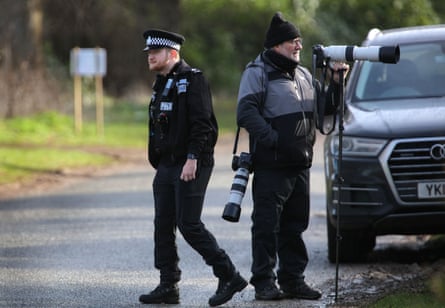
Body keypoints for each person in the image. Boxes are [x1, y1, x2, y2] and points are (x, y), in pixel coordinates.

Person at [236, 12, 348, 301]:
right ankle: (263, 282)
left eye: (299, 41)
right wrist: (274, 140)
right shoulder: (257, 71)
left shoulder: (303, 75)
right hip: (271, 166)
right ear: (276, 45)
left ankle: (293, 280)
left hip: (300, 165)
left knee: (295, 226)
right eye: (292, 42)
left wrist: (336, 82)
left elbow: (327, 109)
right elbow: (245, 112)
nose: (299, 46)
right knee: (266, 226)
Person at [139, 29, 247, 306]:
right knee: (163, 224)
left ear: (172, 53)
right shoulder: (162, 82)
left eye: (155, 52)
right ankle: (168, 285)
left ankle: (229, 275)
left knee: (188, 224)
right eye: (148, 52)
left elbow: (203, 126)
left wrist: (192, 158)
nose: (150, 55)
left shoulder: (193, 80)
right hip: (166, 164)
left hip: (191, 161)